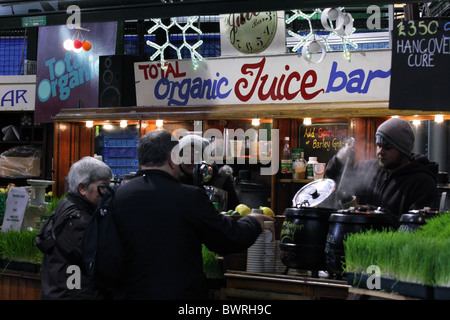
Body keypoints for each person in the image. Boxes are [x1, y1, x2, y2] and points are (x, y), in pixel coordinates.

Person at [110, 129, 273, 299]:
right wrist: (253, 222)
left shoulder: (117, 195)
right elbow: (228, 239)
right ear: (173, 159)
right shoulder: (189, 197)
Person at [325, 117, 439, 216]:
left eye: (387, 148)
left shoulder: (422, 182)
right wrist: (338, 160)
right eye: (378, 146)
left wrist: (377, 215)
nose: (380, 152)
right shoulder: (369, 169)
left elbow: (415, 227)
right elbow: (333, 183)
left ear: (403, 150)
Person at [39, 156, 113, 299]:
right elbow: (97, 264)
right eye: (103, 187)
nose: (107, 192)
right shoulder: (79, 221)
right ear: (83, 188)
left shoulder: (65, 206)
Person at [177, 134, 240, 210]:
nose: (191, 159)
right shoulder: (173, 182)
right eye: (186, 155)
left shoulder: (222, 181)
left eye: (197, 155)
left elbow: (235, 213)